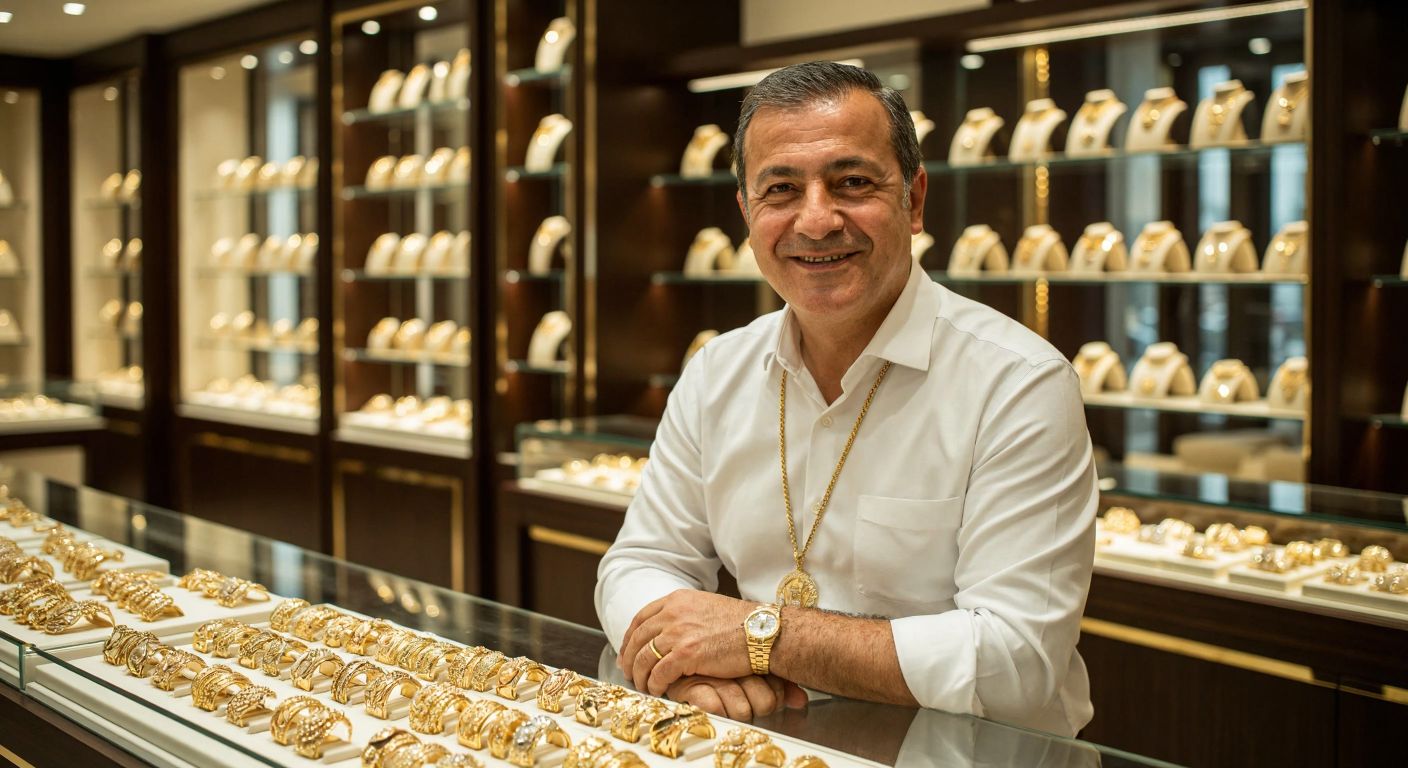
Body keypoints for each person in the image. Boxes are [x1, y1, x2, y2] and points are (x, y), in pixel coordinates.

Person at [594, 61, 1097, 737]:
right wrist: (687, 664)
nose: (817, 219)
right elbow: (640, 563)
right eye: (780, 189)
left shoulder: (1018, 384)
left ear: (914, 201)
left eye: (852, 183)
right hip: (767, 743)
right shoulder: (717, 371)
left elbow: (1015, 662)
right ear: (747, 213)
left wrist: (758, 635)